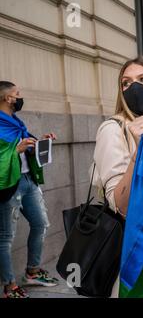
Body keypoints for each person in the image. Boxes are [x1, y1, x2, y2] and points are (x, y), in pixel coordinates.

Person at [91, 56, 143, 297]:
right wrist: (139, 152)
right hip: (131, 248)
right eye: (126, 83)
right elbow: (121, 206)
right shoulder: (112, 129)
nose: (133, 87)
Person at [0, 81, 59, 298]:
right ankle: (9, 286)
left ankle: (32, 272)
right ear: (8, 99)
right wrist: (16, 149)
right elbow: (5, 153)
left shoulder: (16, 122)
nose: (19, 97)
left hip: (28, 181)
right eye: (17, 94)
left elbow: (26, 146)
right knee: (6, 236)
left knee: (41, 223)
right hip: (9, 186)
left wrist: (40, 142)